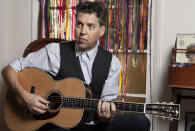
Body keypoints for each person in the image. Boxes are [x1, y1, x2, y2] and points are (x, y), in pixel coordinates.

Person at [1, 1, 150, 131]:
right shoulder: (55, 51)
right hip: (61, 126)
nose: (82, 32)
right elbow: (8, 70)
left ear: (102, 31)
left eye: (90, 26)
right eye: (79, 24)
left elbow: (106, 114)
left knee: (141, 122)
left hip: (96, 125)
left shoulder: (112, 63)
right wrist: (26, 97)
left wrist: (107, 116)